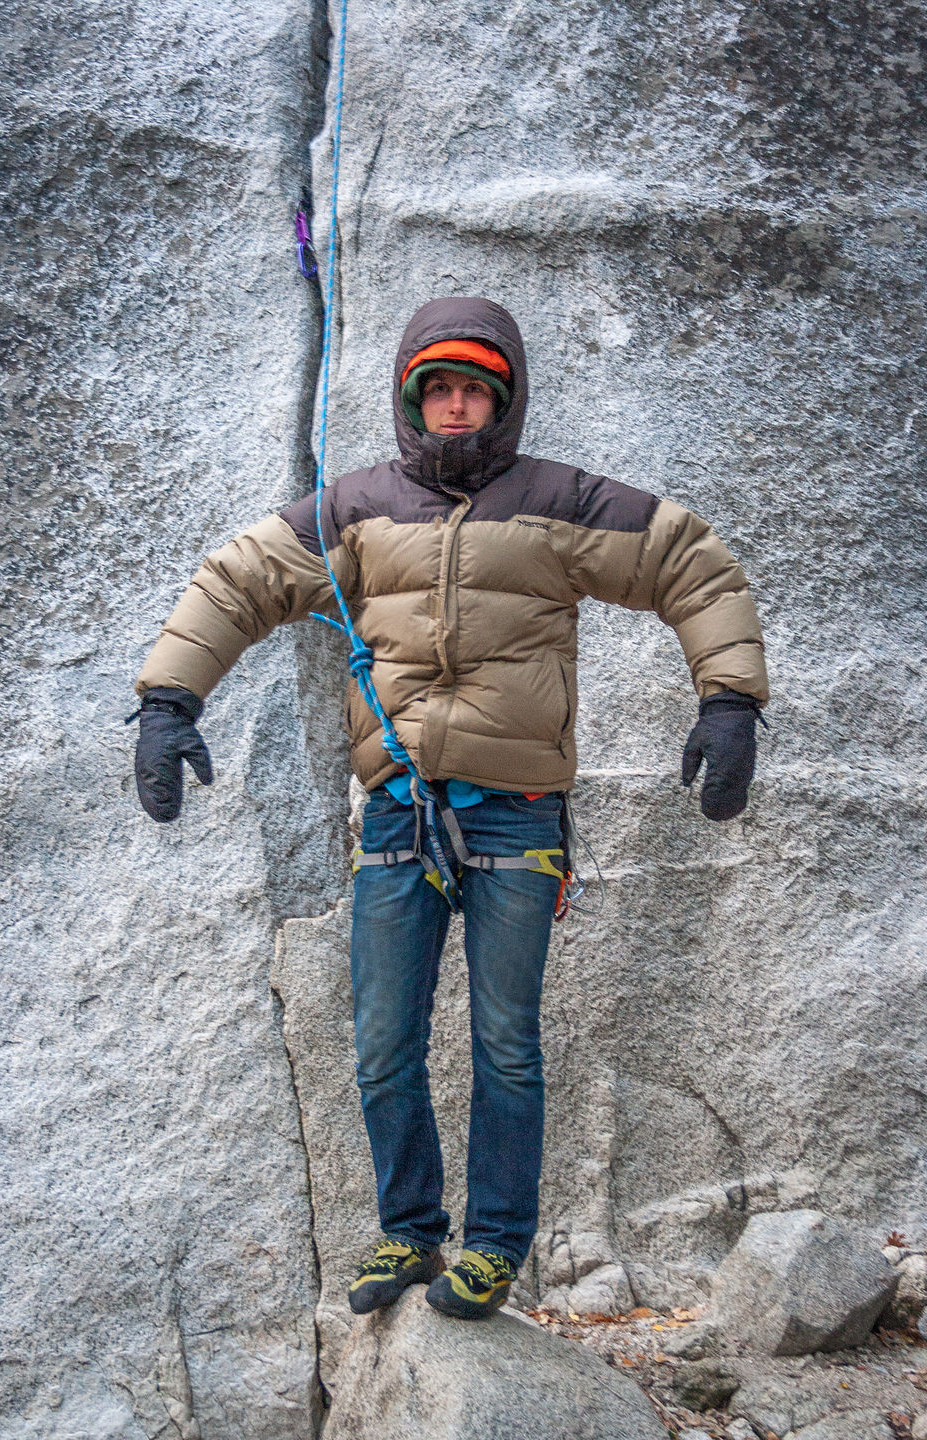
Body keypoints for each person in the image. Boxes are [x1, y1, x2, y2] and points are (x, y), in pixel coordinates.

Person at [131, 296, 768, 1321]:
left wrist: (729, 700)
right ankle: (408, 1235)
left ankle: (494, 1248)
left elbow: (691, 564)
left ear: (504, 398)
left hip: (518, 817)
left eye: (476, 387)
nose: (458, 405)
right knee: (383, 1038)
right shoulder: (356, 509)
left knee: (506, 1042)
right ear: (412, 399)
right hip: (394, 816)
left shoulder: (561, 500)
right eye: (440, 388)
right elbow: (237, 581)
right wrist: (168, 700)